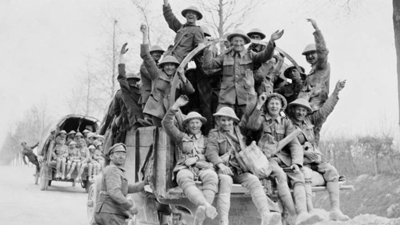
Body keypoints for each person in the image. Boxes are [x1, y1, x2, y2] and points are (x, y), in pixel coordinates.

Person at [205, 70, 282, 225]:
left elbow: (248, 113)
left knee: (254, 181)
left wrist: (253, 93)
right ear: (218, 121)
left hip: (240, 169)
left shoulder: (239, 131)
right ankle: (224, 221)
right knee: (225, 181)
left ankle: (266, 215)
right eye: (223, 120)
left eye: (228, 121)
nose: (226, 123)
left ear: (233, 121)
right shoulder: (214, 134)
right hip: (225, 169)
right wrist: (219, 164)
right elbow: (211, 151)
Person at [247, 93, 324, 225]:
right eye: (271, 103)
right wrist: (259, 105)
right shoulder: (261, 120)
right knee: (280, 175)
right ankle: (294, 214)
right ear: (267, 105)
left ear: (281, 106)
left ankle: (303, 213)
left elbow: (295, 145)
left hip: (284, 158)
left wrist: (296, 163)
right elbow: (252, 126)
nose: (274, 106)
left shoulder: (286, 123)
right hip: (266, 159)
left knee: (298, 175)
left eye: (277, 103)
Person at [287, 80, 349, 221]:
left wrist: (335, 92)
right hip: (299, 161)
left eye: (304, 110)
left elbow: (325, 110)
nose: (301, 112)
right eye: (298, 109)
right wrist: (303, 152)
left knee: (332, 171)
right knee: (306, 176)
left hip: (315, 159)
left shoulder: (309, 121)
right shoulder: (287, 124)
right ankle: (309, 212)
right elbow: (288, 146)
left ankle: (335, 210)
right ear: (293, 109)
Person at [203, 29, 284, 119]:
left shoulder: (251, 55)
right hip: (226, 98)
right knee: (223, 122)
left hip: (245, 98)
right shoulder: (225, 56)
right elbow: (208, 65)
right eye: (236, 41)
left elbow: (265, 56)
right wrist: (209, 48)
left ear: (245, 42)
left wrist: (271, 41)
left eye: (241, 41)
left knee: (245, 124)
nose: (238, 43)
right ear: (231, 42)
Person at [162, 95, 218, 224]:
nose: (194, 125)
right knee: (183, 178)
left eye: (197, 122)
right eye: (191, 122)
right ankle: (206, 206)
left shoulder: (207, 139)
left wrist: (197, 158)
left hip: (203, 166)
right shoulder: (181, 137)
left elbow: (212, 154)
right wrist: (176, 106)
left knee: (212, 176)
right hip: (185, 167)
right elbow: (166, 123)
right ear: (186, 125)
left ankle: (203, 209)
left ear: (201, 124)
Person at [140, 24, 195, 127]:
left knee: (182, 125)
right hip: (156, 110)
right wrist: (145, 34)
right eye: (167, 65)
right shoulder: (156, 74)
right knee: (162, 131)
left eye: (172, 65)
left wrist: (183, 76)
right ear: (163, 66)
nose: (170, 68)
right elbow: (146, 56)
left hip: (171, 109)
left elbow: (190, 91)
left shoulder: (177, 78)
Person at [94, 143, 146, 225]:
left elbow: (125, 188)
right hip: (111, 213)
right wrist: (130, 206)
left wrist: (144, 184)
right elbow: (114, 192)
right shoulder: (112, 170)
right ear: (111, 157)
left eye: (123, 154)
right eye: (118, 154)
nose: (121, 157)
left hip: (109, 212)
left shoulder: (117, 170)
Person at [302, 19, 331, 146]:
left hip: (317, 107)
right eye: (307, 55)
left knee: (313, 134)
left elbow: (323, 50)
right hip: (309, 107)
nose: (310, 57)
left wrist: (316, 29)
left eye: (312, 54)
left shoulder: (322, 66)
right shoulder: (311, 72)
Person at [118, 44, 144, 131]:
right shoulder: (126, 91)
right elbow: (121, 76)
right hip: (135, 120)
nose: (132, 82)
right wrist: (121, 56)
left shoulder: (140, 90)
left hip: (144, 118)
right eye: (130, 80)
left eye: (134, 80)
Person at [138, 44, 165, 126]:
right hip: (148, 91)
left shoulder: (160, 66)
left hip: (157, 92)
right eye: (155, 53)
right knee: (147, 111)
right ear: (150, 54)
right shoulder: (144, 65)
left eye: (160, 53)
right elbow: (152, 76)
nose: (158, 55)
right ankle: (147, 119)